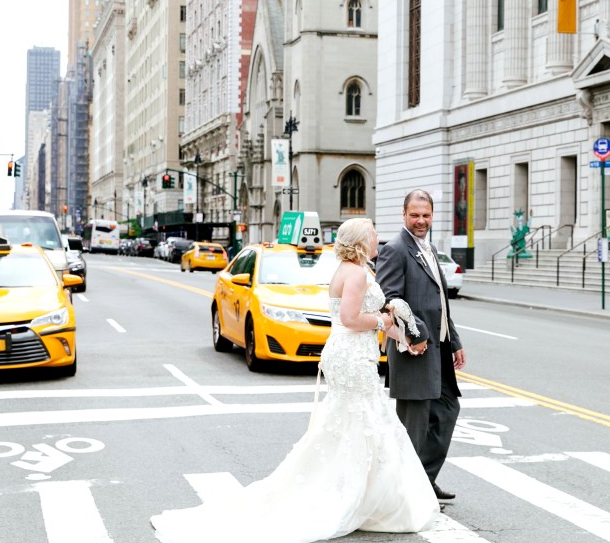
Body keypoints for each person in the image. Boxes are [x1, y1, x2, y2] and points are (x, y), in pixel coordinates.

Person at [150, 218, 440, 543]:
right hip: (352, 355)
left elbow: (355, 316)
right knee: (364, 420)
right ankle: (359, 497)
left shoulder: (349, 268)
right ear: (361, 240)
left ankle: (360, 492)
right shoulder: (356, 273)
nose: (377, 239)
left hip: (348, 353)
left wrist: (401, 335)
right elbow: (350, 318)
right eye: (373, 234)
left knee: (351, 421)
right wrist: (384, 318)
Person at [375, 189, 467, 503]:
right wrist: (419, 334)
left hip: (439, 351)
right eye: (415, 215)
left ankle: (423, 479)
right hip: (414, 350)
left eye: (426, 215)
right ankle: (404, 496)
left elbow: (440, 301)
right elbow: (390, 301)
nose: (421, 220)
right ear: (404, 215)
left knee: (447, 410)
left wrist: (453, 340)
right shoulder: (396, 249)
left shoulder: (429, 247)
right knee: (413, 427)